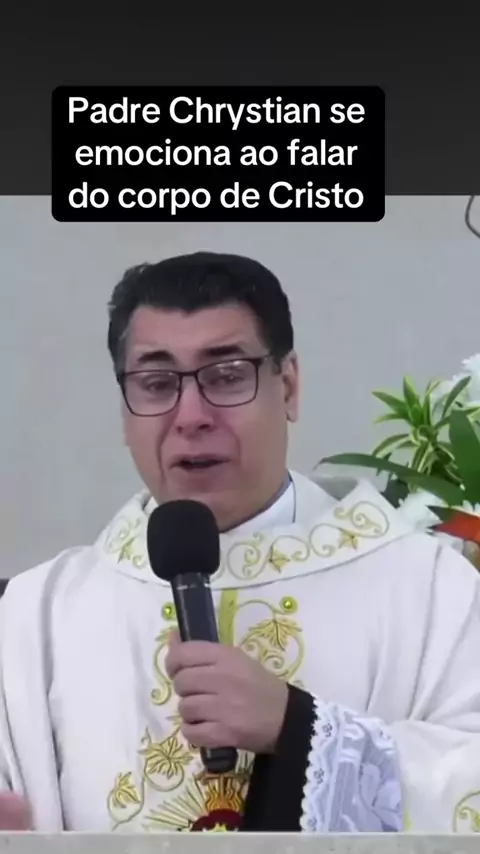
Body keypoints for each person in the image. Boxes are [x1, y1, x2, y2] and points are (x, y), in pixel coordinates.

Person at [1, 251, 480, 835]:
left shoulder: (431, 589)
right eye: (156, 384)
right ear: (125, 413)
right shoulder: (35, 616)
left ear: (289, 387)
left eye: (226, 375)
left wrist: (299, 728)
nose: (191, 416)